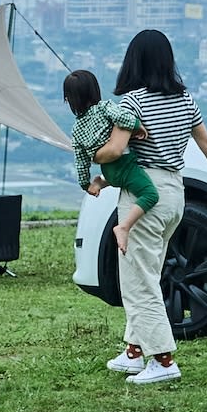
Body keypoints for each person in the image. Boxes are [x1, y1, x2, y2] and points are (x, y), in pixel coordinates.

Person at [99, 26, 207, 386]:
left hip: (143, 194)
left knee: (139, 281)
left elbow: (114, 151)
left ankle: (163, 359)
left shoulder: (132, 102)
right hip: (175, 193)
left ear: (133, 61)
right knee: (148, 271)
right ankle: (134, 352)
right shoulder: (185, 98)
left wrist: (84, 151)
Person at [61, 67, 156, 278]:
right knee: (150, 194)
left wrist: (86, 184)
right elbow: (122, 118)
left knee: (117, 179)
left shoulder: (76, 129)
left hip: (109, 171)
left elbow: (81, 161)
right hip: (125, 165)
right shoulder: (105, 107)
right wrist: (138, 126)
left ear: (69, 100)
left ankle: (101, 182)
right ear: (95, 90)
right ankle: (124, 227)